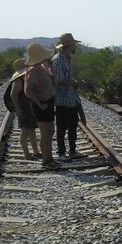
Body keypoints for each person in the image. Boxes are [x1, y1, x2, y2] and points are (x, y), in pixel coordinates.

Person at [51, 32, 87, 161]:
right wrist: (72, 82)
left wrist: (72, 82)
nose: (75, 47)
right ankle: (61, 153)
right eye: (74, 45)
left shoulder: (65, 58)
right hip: (63, 100)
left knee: (72, 125)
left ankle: (72, 151)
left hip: (70, 99)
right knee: (62, 127)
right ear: (69, 45)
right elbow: (58, 81)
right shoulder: (59, 60)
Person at [23, 42, 57, 168]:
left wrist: (51, 65)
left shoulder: (41, 67)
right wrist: (39, 103)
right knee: (45, 133)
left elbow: (53, 79)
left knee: (50, 131)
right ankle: (46, 160)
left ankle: (50, 157)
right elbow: (29, 90)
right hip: (41, 105)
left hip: (47, 103)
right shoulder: (33, 70)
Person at [8, 58, 40, 160]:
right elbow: (13, 95)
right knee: (25, 131)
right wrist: (18, 109)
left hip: (29, 108)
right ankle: (26, 154)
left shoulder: (24, 78)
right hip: (24, 109)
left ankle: (36, 152)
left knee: (31, 130)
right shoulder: (18, 80)